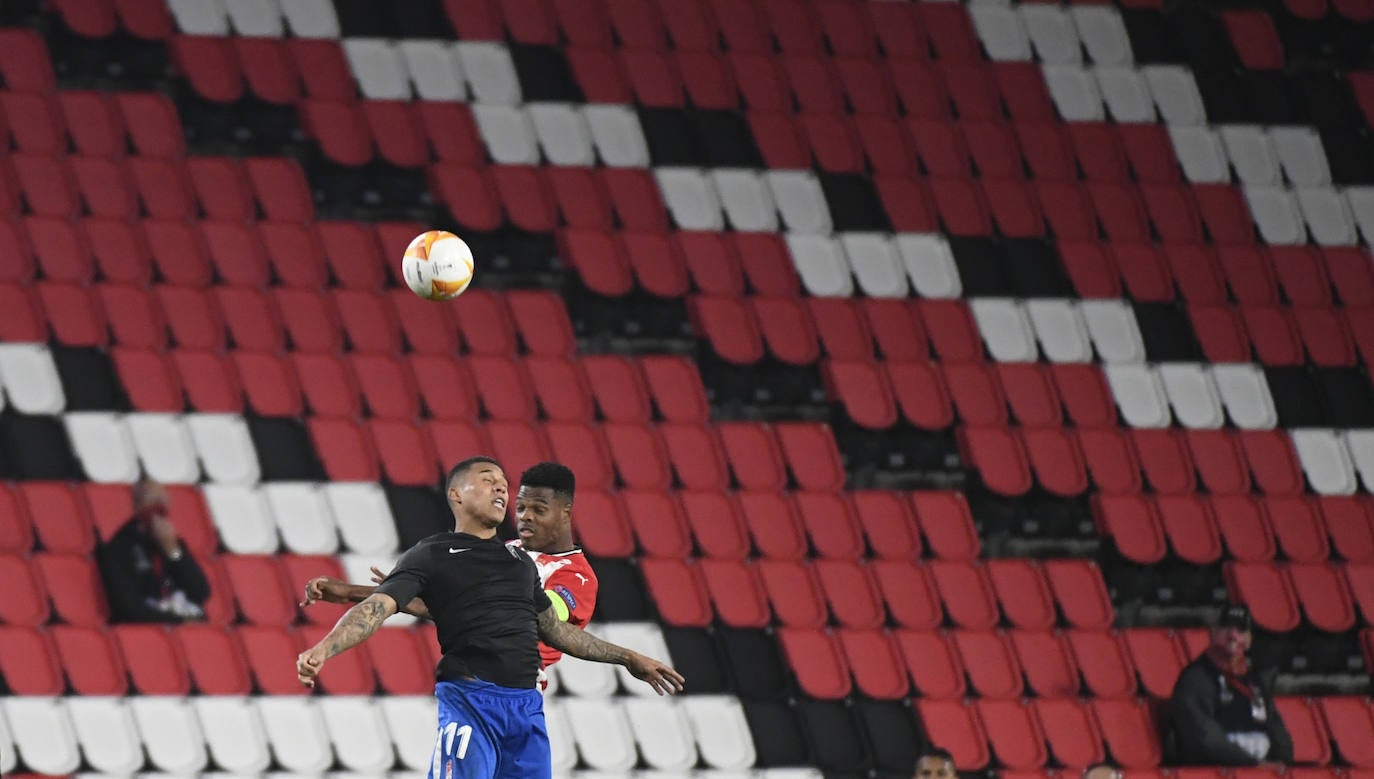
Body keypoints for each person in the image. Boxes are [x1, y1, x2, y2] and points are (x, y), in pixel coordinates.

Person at [294, 456, 682, 779]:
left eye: (505, 484)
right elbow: (414, 608)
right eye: (490, 482)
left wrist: (628, 657)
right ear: (456, 494)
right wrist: (364, 602)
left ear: (565, 513)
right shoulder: (441, 553)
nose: (506, 493)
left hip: (525, 705)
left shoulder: (546, 570)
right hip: (472, 697)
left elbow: (541, 625)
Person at [302, 461, 598, 688]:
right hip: (471, 682)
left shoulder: (576, 576)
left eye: (538, 509)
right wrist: (376, 591)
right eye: (520, 507)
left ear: (565, 514)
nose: (525, 516)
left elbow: (526, 617)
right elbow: (467, 608)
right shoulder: (509, 552)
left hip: (517, 689)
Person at [1168, 604, 1292, 767]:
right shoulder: (1196, 679)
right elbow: (1203, 739)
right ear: (1212, 632)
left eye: (1241, 630)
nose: (1233, 635)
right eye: (1226, 627)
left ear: (1248, 640)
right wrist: (1253, 765)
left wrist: (1282, 763)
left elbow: (1278, 735)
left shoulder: (1255, 682)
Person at [96, 478, 210, 623]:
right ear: (137, 507)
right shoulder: (119, 548)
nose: (157, 515)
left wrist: (174, 553)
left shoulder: (173, 543)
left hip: (178, 619)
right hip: (149, 628)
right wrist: (177, 621)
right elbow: (129, 607)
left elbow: (200, 592)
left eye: (162, 506)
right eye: (152, 504)